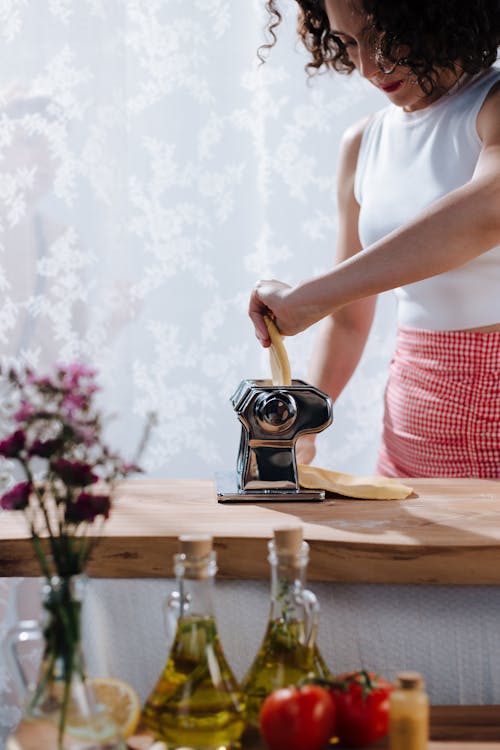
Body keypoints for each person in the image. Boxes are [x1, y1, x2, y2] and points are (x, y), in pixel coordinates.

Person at [249, 0, 500, 478]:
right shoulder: (363, 142)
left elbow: (489, 209)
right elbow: (348, 321)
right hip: (411, 420)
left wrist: (309, 297)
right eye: (348, 43)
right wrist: (296, 428)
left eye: (383, 38)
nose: (367, 67)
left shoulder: (493, 104)